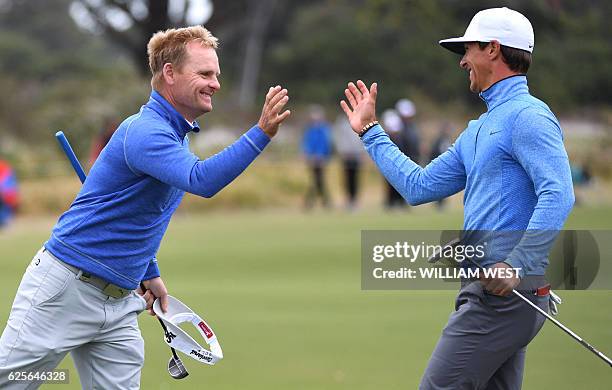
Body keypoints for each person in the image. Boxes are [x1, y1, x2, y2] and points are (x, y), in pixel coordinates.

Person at [0, 26, 290, 389]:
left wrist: (147, 269)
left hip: (120, 302)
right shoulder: (147, 132)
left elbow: (139, 214)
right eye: (204, 73)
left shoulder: (174, 133)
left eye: (216, 74)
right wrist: (259, 133)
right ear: (170, 74)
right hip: (65, 291)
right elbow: (202, 180)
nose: (215, 83)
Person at [340, 7, 574, 389]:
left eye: (469, 50)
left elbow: (558, 193)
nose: (463, 60)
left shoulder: (529, 116)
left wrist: (517, 263)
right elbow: (420, 187)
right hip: (495, 292)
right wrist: (370, 130)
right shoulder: (479, 129)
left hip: (505, 296)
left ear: (494, 49)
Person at [302, 105, 332, 209]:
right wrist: (308, 154)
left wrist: (322, 156)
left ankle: (316, 202)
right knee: (316, 181)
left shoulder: (324, 129)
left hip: (321, 159)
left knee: (319, 181)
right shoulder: (310, 129)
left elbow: (326, 144)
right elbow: (307, 143)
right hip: (312, 159)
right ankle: (323, 202)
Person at [333, 114, 363, 210]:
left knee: (355, 179)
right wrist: (342, 151)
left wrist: (361, 152)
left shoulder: (359, 120)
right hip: (346, 156)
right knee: (346, 179)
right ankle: (348, 200)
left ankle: (354, 200)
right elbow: (339, 139)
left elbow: (360, 138)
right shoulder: (341, 123)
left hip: (356, 155)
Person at [381, 109, 407, 209]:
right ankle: (391, 202)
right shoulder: (387, 137)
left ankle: (399, 202)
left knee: (399, 183)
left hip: (399, 162)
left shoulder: (400, 137)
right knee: (389, 184)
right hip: (388, 163)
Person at [428, 122, 453, 209]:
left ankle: (441, 204)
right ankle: (439, 204)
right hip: (439, 167)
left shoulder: (445, 139)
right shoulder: (440, 140)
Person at [0, 159, 19, 227]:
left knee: (5, 207)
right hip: (7, 191)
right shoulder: (5, 167)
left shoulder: (4, 168)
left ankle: (4, 222)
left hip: (6, 192)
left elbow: (8, 182)